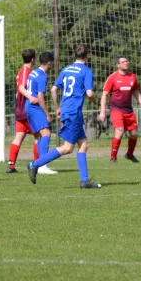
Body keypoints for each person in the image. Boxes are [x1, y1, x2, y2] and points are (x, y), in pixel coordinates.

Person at [26, 44, 101, 189]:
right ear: (87, 55)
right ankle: (34, 164)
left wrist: (57, 107)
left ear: (75, 55)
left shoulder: (66, 69)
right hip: (74, 112)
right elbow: (90, 93)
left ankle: (84, 181)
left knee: (83, 144)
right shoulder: (86, 71)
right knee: (67, 148)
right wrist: (96, 102)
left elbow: (54, 89)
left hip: (69, 111)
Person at [7, 49, 56, 175]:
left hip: (21, 109)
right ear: (33, 59)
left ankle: (11, 165)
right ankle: (40, 164)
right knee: (41, 135)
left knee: (20, 137)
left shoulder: (28, 72)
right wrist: (30, 97)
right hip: (26, 108)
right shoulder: (26, 71)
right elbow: (21, 88)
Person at [99, 56, 141, 163]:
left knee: (134, 134)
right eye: (123, 62)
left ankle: (129, 155)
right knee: (120, 131)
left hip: (129, 110)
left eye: (127, 61)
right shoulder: (112, 77)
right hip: (116, 109)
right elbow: (104, 95)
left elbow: (136, 93)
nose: (126, 63)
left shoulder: (132, 77)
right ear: (118, 65)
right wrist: (102, 111)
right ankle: (113, 158)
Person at [25, 52, 55, 163]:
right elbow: (40, 97)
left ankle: (38, 163)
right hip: (34, 107)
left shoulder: (33, 72)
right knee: (46, 133)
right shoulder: (42, 76)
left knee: (39, 137)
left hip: (28, 106)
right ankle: (42, 165)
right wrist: (47, 114)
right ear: (49, 62)